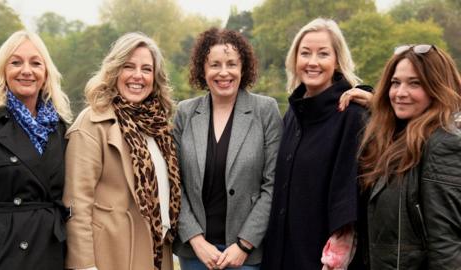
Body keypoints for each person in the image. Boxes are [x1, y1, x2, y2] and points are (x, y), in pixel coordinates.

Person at [63, 32, 181, 270]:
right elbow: (77, 203)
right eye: (129, 66)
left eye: (146, 69)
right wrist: (85, 265)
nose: (138, 76)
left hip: (157, 253)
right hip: (112, 256)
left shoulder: (159, 125)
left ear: (155, 77)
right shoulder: (93, 122)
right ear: (115, 70)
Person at [261, 18, 369, 270]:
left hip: (321, 259)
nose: (312, 62)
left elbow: (348, 200)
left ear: (337, 60)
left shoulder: (351, 115)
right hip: (281, 255)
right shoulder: (293, 114)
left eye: (323, 54)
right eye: (305, 53)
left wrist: (335, 260)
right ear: (294, 59)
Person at [173, 27, 283, 270]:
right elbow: (173, 183)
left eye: (231, 64)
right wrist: (195, 240)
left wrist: (244, 244)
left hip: (246, 256)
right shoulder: (185, 113)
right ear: (203, 69)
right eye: (215, 64)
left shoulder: (265, 111)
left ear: (243, 68)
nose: (224, 72)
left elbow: (273, 183)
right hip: (195, 254)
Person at [358, 44, 461, 269]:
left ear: (437, 87)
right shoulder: (393, 139)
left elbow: (446, 243)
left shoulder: (442, 144)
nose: (400, 93)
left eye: (415, 83)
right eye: (395, 83)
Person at [0, 30, 72, 270]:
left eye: (35, 63)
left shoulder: (61, 128)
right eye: (16, 62)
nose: (26, 70)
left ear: (46, 73)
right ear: (2, 70)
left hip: (50, 251)